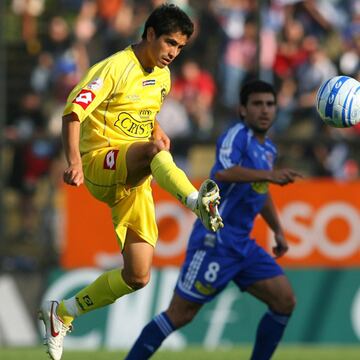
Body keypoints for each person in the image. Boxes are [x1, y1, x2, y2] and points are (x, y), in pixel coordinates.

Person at [38, 4, 223, 360]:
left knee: (137, 276)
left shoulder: (163, 76)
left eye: (180, 48)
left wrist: (157, 130)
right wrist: (74, 162)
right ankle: (195, 200)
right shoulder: (113, 68)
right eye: (169, 42)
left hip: (133, 182)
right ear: (150, 34)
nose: (173, 53)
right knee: (153, 154)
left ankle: (62, 313)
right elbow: (72, 112)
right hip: (99, 163)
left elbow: (144, 114)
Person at [125, 80, 303, 360]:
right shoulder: (237, 136)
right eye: (257, 104)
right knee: (179, 315)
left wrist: (278, 230)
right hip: (215, 241)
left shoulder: (267, 148)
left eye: (270, 104)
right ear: (243, 110)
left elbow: (261, 190)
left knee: (284, 301)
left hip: (243, 245)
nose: (265, 110)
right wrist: (269, 175)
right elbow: (223, 173)